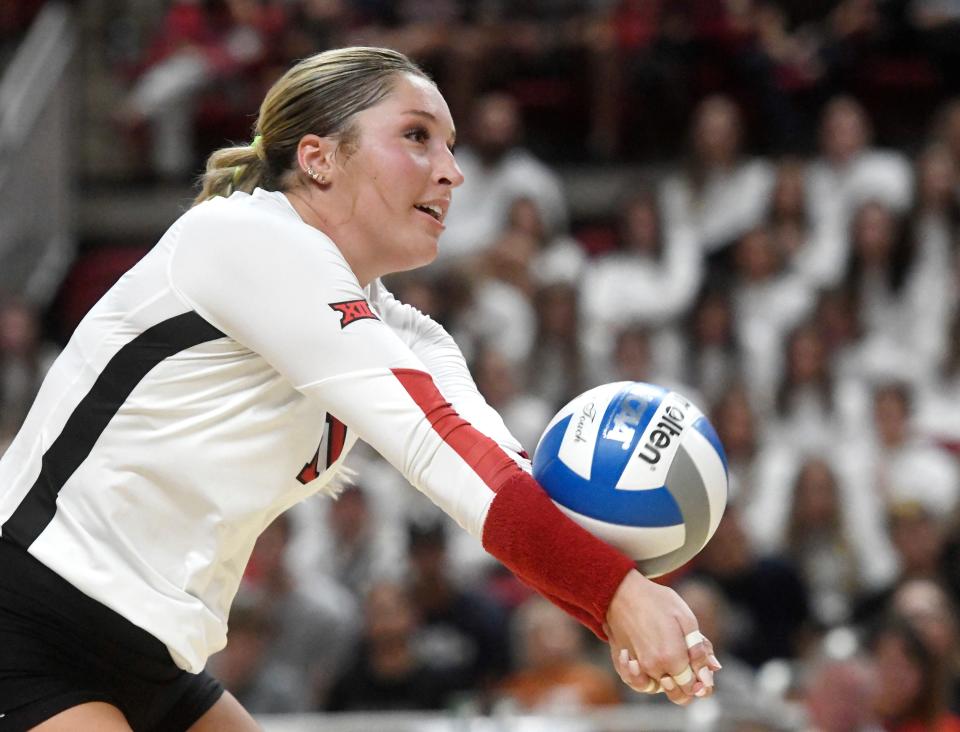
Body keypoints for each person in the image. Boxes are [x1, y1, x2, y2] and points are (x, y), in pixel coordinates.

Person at [0, 47, 719, 731]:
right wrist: (615, 597)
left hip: (153, 648)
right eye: (417, 137)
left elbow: (497, 478)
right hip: (30, 615)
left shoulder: (406, 335)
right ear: (317, 158)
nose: (452, 172)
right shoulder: (243, 238)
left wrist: (611, 611)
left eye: (450, 145)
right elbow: (437, 449)